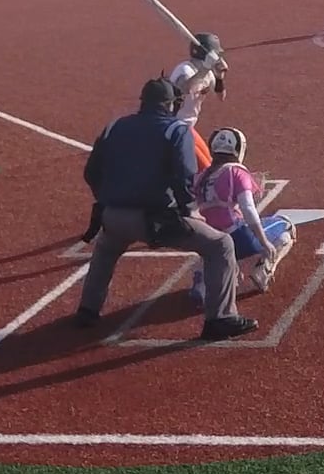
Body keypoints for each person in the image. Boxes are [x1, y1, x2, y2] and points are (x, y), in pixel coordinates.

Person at [73, 78, 251, 339]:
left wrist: (106, 199)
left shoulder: (114, 126)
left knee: (105, 250)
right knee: (220, 245)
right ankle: (220, 318)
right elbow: (184, 177)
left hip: (113, 217)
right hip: (157, 221)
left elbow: (91, 172)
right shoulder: (176, 130)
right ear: (170, 105)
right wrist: (190, 210)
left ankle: (88, 310)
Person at [190, 127, 296, 298]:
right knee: (286, 225)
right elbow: (248, 208)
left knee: (213, 249)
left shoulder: (200, 177)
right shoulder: (236, 172)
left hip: (207, 241)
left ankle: (204, 278)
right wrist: (264, 242)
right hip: (237, 238)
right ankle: (263, 271)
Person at [168, 33, 229, 168]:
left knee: (210, 162)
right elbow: (186, 88)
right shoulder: (185, 70)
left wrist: (219, 78)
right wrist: (206, 68)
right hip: (173, 127)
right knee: (204, 167)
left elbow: (221, 97)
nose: (219, 57)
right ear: (207, 55)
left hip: (187, 128)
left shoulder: (208, 73)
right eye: (216, 54)